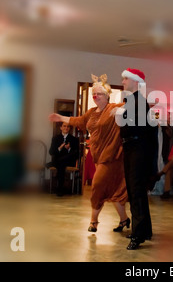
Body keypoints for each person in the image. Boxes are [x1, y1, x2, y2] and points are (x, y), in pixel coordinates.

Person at [48, 74, 130, 233]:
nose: (95, 96)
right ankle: (124, 219)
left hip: (112, 157)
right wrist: (59, 117)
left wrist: (122, 110)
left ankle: (94, 221)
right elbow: (77, 121)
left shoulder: (113, 108)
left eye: (99, 93)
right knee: (114, 192)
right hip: (98, 156)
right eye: (94, 93)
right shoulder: (91, 112)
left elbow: (135, 106)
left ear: (106, 95)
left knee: (98, 185)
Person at [119, 68, 158, 250]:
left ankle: (138, 235)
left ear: (135, 81)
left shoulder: (139, 102)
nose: (123, 81)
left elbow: (140, 130)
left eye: (126, 78)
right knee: (136, 191)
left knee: (136, 192)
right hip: (132, 149)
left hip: (137, 150)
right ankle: (145, 230)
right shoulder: (133, 101)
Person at [48, 122, 79, 196]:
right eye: (64, 126)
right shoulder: (55, 138)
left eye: (68, 126)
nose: (66, 128)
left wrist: (69, 149)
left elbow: (77, 154)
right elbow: (51, 152)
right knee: (61, 164)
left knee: (61, 162)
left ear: (69, 129)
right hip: (59, 161)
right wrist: (59, 148)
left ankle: (59, 188)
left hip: (68, 161)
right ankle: (60, 188)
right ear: (61, 128)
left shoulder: (74, 139)